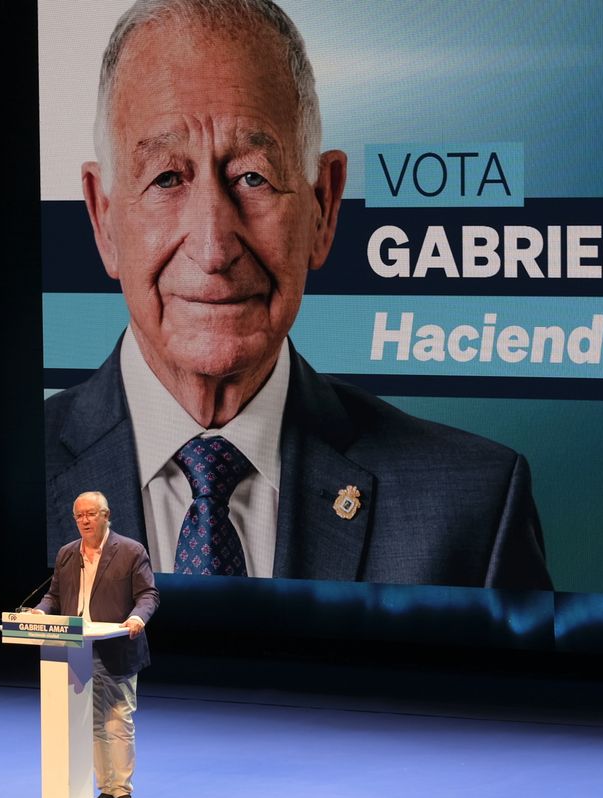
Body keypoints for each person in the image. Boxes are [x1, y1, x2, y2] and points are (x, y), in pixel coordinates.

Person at [44, 0, 552, 590]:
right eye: (166, 178)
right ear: (102, 219)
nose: (213, 247)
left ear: (324, 206)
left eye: (252, 177)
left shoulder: (474, 509)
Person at [35, 490, 159, 798]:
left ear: (106, 515)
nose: (85, 521)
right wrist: (39, 613)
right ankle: (105, 789)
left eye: (91, 514)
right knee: (91, 723)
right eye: (79, 516)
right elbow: (54, 596)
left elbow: (148, 595)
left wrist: (137, 617)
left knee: (118, 720)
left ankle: (122, 793)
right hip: (77, 650)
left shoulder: (131, 550)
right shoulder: (66, 554)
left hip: (117, 647)